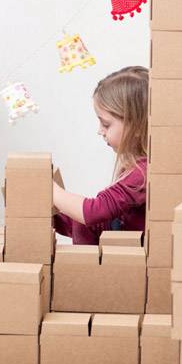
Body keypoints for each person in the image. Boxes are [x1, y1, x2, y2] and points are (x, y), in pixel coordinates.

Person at [53, 66, 148, 245]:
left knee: (87, 217)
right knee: (83, 222)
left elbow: (94, 212)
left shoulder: (143, 174)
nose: (100, 131)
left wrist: (50, 190)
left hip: (131, 258)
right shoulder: (136, 167)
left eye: (106, 124)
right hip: (119, 241)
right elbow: (94, 220)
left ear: (135, 126)